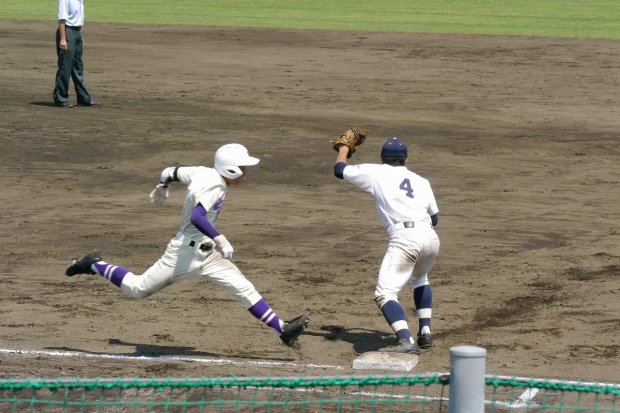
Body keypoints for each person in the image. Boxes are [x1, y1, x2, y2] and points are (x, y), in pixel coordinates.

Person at [65, 143, 310, 347]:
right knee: (138, 289)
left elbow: (170, 171)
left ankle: (284, 330)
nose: (246, 172)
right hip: (183, 252)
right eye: (243, 168)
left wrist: (163, 185)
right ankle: (94, 264)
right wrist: (220, 238)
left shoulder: (204, 172)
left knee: (243, 288)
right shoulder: (214, 185)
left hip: (208, 254)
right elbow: (197, 217)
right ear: (231, 169)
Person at [332, 137, 440, 354]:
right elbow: (435, 218)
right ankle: (425, 332)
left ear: (382, 158)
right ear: (406, 160)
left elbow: (339, 170)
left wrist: (344, 148)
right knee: (419, 278)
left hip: (405, 240)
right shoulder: (421, 181)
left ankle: (406, 341)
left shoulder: (376, 172)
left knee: (385, 293)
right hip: (430, 238)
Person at [53, 0, 99, 107]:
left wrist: (79, 36)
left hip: (76, 32)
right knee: (65, 67)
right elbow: (62, 20)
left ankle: (83, 98)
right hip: (67, 32)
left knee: (78, 66)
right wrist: (63, 39)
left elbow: (78, 19)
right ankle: (60, 98)